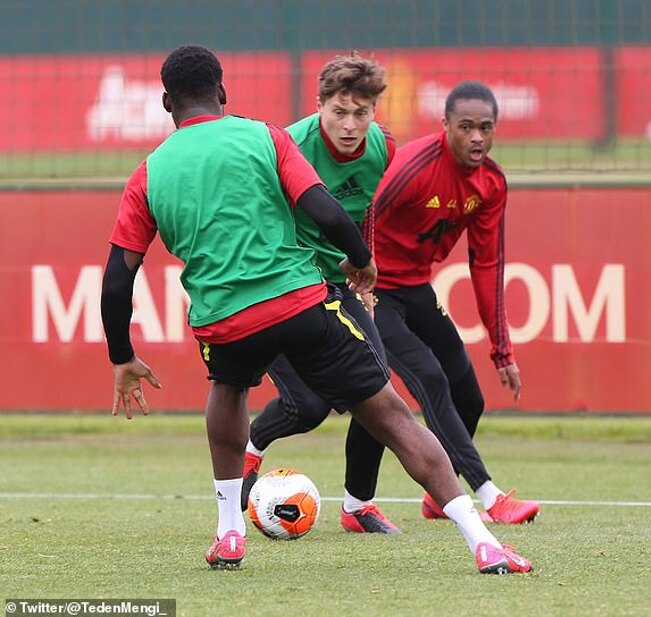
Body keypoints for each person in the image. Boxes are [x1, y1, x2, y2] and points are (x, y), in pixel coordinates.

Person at [100, 45, 532, 575]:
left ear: (167, 102)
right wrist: (362, 260)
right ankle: (482, 542)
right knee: (391, 415)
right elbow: (324, 209)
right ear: (222, 92)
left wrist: (122, 357)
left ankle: (229, 533)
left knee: (228, 390)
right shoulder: (266, 137)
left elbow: (117, 280)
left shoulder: (147, 174)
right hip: (301, 304)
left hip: (224, 322)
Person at [242, 53, 401, 535]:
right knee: (308, 408)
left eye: (361, 113)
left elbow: (364, 213)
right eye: (339, 112)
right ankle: (249, 452)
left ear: (374, 111)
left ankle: (358, 506)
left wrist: (364, 276)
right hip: (282, 284)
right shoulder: (288, 146)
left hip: (338, 283)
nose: (350, 125)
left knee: (377, 391)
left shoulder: (383, 149)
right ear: (319, 105)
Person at [370, 80, 541, 525]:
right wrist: (352, 283)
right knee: (429, 378)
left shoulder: (491, 183)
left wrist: (502, 350)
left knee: (469, 396)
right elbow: (360, 217)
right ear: (445, 125)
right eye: (466, 127)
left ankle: (432, 499)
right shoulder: (412, 168)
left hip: (416, 288)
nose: (477, 137)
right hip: (372, 290)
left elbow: (487, 265)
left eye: (486, 127)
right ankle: (489, 495)